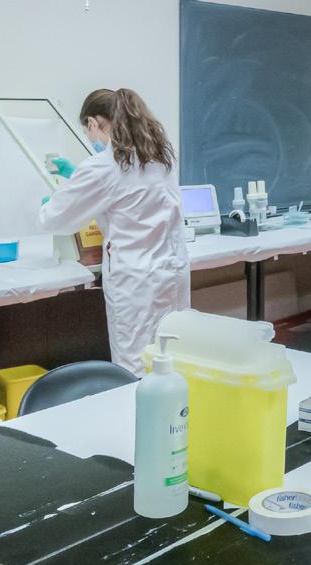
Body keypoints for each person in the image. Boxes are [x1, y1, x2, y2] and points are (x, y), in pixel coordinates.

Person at [39, 88, 189, 376]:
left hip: (136, 281)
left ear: (93, 123)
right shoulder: (159, 155)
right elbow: (127, 192)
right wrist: (77, 177)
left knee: (134, 365)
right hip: (172, 272)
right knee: (173, 358)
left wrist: (50, 204)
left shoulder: (104, 166)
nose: (91, 140)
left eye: (88, 133)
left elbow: (57, 220)